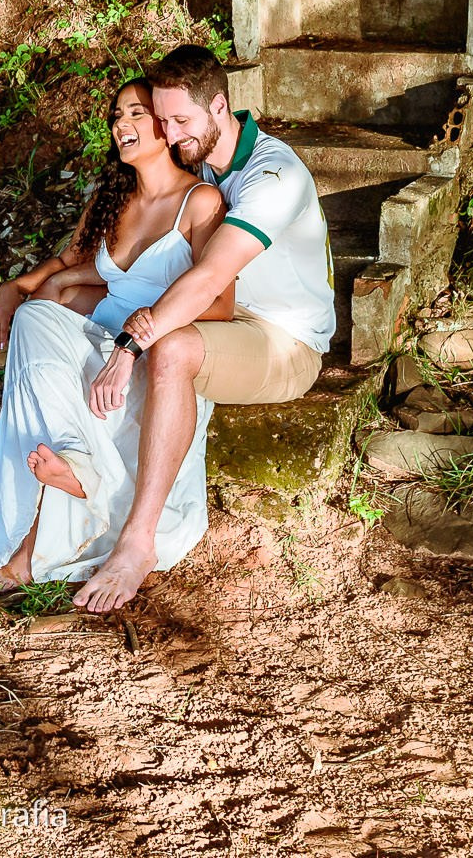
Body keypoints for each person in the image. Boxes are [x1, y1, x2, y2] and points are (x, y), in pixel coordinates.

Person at [0, 78, 230, 591]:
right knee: (36, 314)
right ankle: (59, 463)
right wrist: (16, 286)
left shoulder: (200, 202)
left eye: (135, 113)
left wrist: (144, 325)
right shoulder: (115, 198)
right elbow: (70, 261)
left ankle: (27, 528)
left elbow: (220, 304)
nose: (120, 125)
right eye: (115, 116)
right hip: (96, 348)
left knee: (47, 317)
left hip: (151, 363)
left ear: (167, 126)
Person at [72, 44, 334, 613]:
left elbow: (212, 274)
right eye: (161, 120)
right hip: (225, 323)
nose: (169, 133)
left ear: (220, 107)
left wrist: (130, 343)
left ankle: (138, 543)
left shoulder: (274, 174)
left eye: (180, 121)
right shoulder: (203, 162)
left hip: (284, 343)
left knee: (170, 348)